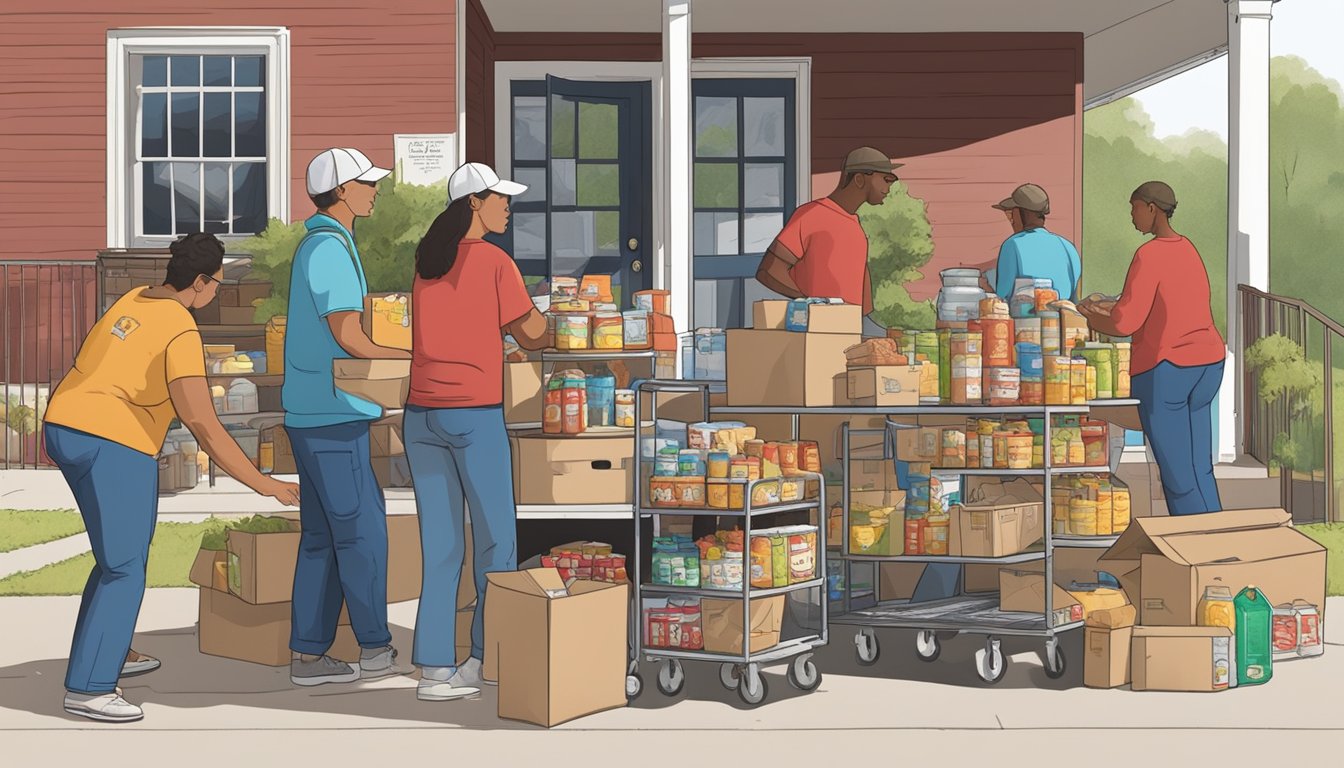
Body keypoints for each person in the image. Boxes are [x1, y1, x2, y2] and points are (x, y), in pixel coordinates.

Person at [43, 233, 300, 723]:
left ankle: (109, 649)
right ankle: (90, 687)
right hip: (113, 440)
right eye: (217, 285)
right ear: (200, 282)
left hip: (65, 425)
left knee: (114, 557)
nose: (217, 293)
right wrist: (263, 482)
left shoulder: (135, 299)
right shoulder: (181, 328)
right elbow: (203, 423)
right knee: (125, 566)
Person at [403, 162, 550, 702]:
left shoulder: (427, 260)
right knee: (496, 539)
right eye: (499, 199)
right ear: (474, 204)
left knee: (441, 545)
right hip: (474, 413)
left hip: (422, 415)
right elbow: (532, 334)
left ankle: (434, 668)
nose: (507, 207)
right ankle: (486, 657)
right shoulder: (493, 261)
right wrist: (550, 317)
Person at [282, 148, 411, 687]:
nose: (375, 190)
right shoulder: (331, 250)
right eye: (366, 183)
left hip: (308, 411)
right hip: (335, 414)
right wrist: (412, 359)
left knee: (321, 537)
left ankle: (309, 655)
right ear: (341, 192)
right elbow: (349, 336)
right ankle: (376, 647)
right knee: (362, 533)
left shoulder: (320, 243)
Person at [1079, 181, 1226, 515]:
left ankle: (1191, 552)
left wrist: (1088, 317)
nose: (1132, 216)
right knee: (1199, 467)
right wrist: (1114, 307)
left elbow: (1124, 323)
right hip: (1207, 363)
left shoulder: (1149, 254)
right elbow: (1168, 303)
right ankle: (1215, 543)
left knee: (1177, 475)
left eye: (1134, 207)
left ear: (1151, 208)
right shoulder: (1188, 248)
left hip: (1168, 367)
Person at [756, 146, 901, 337]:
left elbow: (861, 302)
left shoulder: (855, 226)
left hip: (852, 331)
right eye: (886, 179)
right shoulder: (811, 215)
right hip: (817, 334)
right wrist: (812, 306)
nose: (889, 188)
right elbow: (769, 271)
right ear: (859, 179)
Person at [990, 183, 1083, 303]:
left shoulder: (1012, 245)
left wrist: (986, 288)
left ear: (1021, 214)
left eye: (1011, 214)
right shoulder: (1068, 247)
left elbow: (1002, 299)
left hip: (1024, 319)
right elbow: (1074, 299)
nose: (1011, 221)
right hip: (1063, 319)